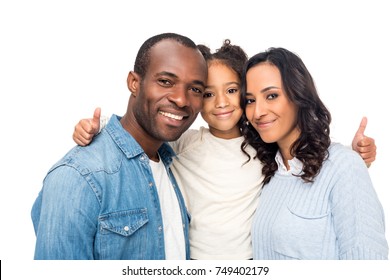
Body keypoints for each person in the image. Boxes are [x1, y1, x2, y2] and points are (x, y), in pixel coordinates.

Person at [73, 40, 377, 259]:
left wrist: (349, 158)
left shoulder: (263, 148)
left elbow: (305, 163)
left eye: (233, 91)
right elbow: (143, 136)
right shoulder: (184, 143)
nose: (221, 102)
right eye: (207, 93)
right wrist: (96, 129)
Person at [31, 33, 208, 260]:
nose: (182, 100)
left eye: (195, 89)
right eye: (166, 81)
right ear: (134, 83)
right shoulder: (78, 176)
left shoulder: (173, 162)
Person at [241, 47, 388, 259]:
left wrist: (354, 160)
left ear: (298, 95)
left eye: (271, 96)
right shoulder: (266, 174)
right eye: (250, 100)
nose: (258, 112)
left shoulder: (343, 167)